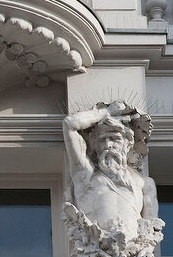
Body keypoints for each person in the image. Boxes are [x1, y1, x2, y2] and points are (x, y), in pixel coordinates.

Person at [63, 100, 159, 239]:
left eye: (115, 139)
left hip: (132, 255)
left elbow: (150, 229)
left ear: (128, 143)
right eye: (102, 140)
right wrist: (106, 112)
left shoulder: (144, 184)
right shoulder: (86, 176)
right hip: (96, 255)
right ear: (95, 144)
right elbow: (69, 124)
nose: (108, 145)